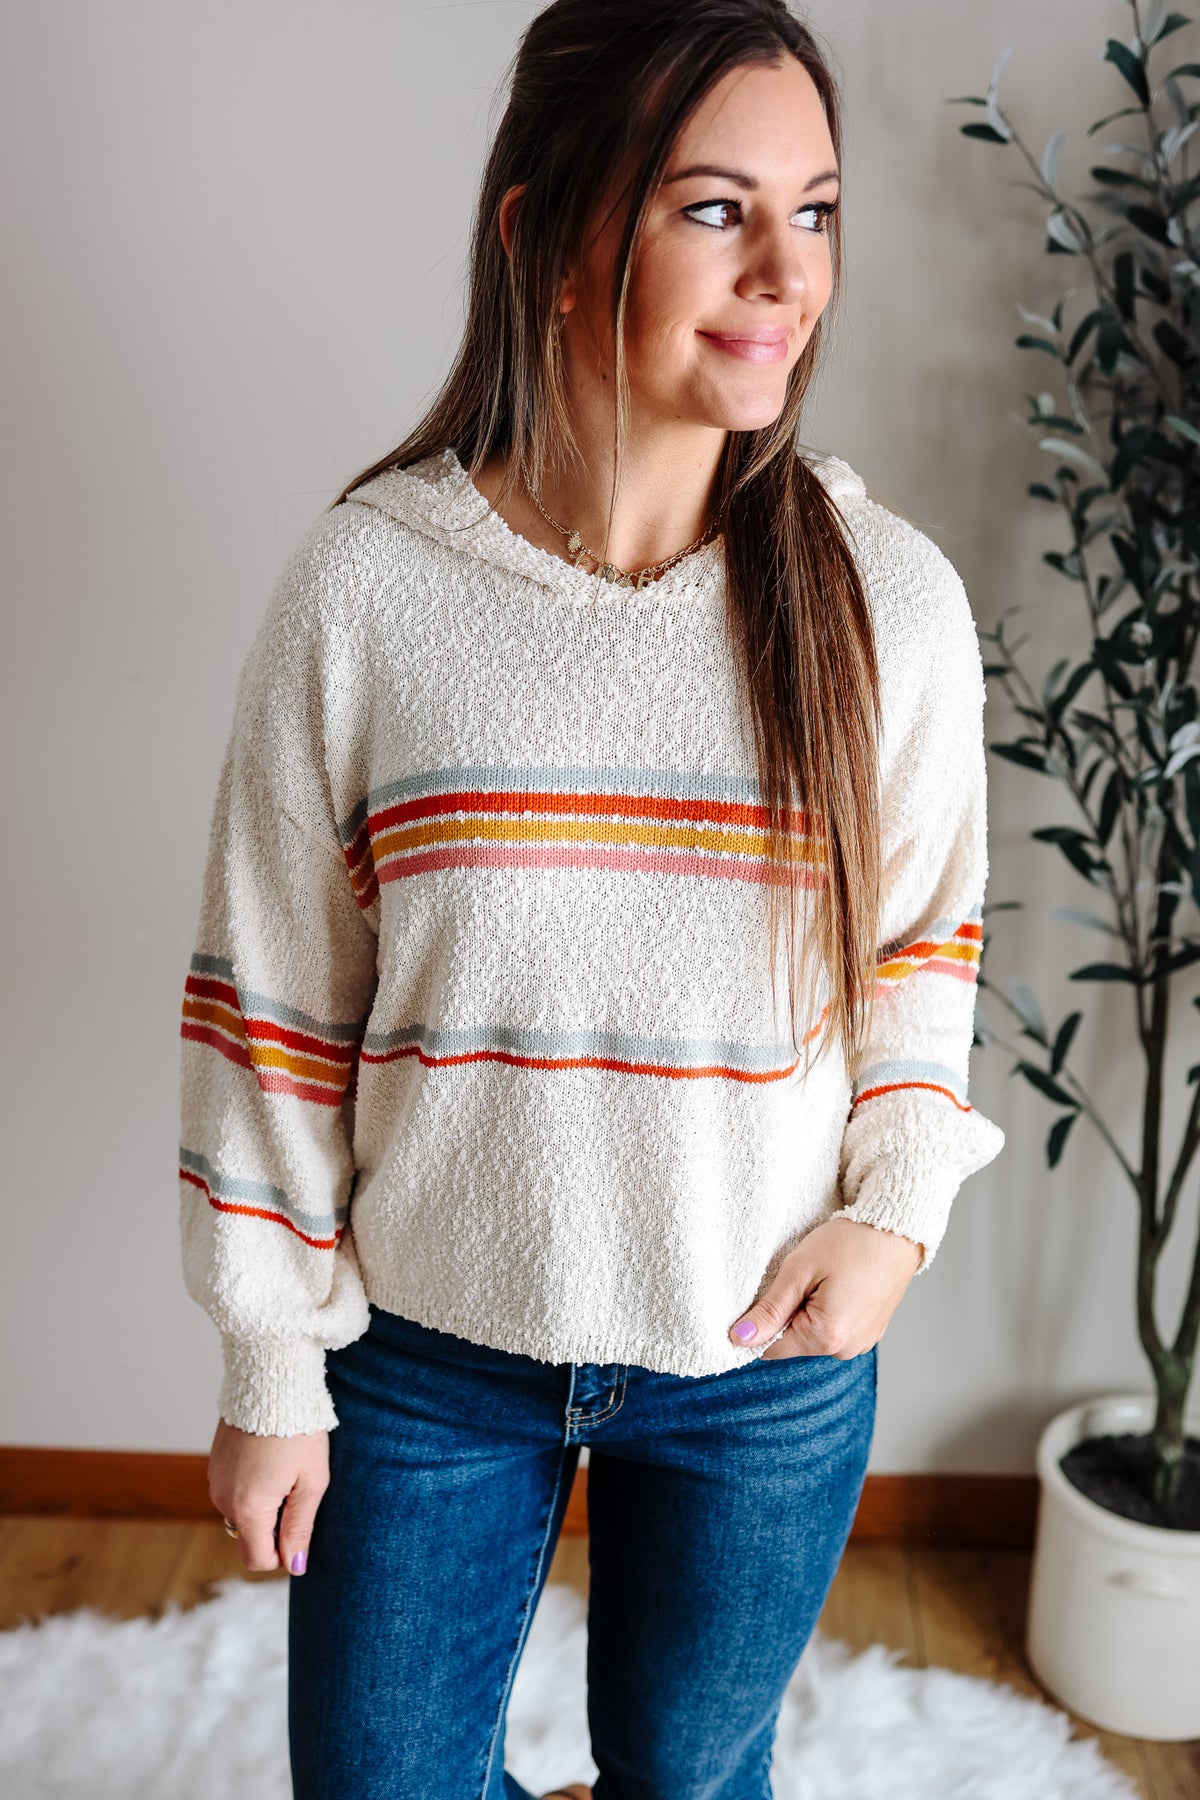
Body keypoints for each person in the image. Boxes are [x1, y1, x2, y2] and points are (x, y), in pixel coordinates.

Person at [179, 1, 1006, 1795]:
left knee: (690, 1781)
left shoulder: (889, 602)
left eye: (817, 209)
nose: (788, 271)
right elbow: (275, 1009)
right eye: (716, 208)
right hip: (425, 1359)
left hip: (761, 1368)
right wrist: (269, 1362)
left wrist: (896, 1213)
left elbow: (925, 950)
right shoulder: (368, 591)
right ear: (547, 234)